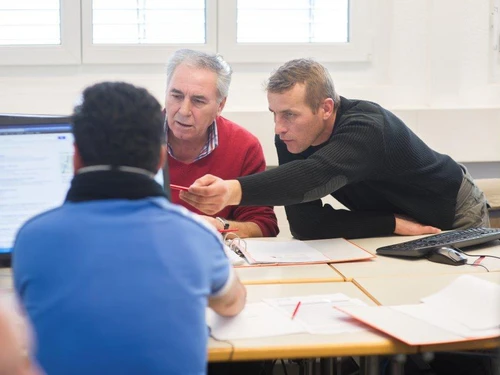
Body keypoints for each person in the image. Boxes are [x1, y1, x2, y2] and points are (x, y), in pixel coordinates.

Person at [13, 82, 246, 375]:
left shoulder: (32, 239)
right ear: (161, 160)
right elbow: (233, 302)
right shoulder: (196, 236)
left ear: (75, 158)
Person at [179, 58, 490, 240]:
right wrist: (391, 223)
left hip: (453, 209)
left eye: (289, 114)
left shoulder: (368, 128)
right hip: (401, 221)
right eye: (274, 113)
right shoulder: (291, 136)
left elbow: (315, 175)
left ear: (325, 108)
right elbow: (305, 225)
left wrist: (231, 190)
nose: (279, 127)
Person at [164, 49, 279, 238]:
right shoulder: (132, 139)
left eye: (198, 100)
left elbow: (264, 226)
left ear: (220, 106)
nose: (184, 111)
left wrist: (218, 227)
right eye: (176, 96)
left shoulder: (244, 147)